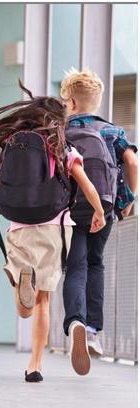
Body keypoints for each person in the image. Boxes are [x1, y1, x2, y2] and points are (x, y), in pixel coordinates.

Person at [0, 84, 106, 382]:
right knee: (43, 301)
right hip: (54, 226)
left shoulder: (13, 145)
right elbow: (86, 184)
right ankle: (37, 363)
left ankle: (23, 286)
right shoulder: (62, 147)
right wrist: (98, 212)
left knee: (25, 309)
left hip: (18, 227)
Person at [59, 68, 138, 359]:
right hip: (103, 206)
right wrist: (127, 199)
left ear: (71, 102)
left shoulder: (61, 131)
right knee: (95, 263)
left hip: (68, 208)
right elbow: (132, 162)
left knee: (74, 265)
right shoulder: (112, 131)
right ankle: (92, 330)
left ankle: (75, 321)